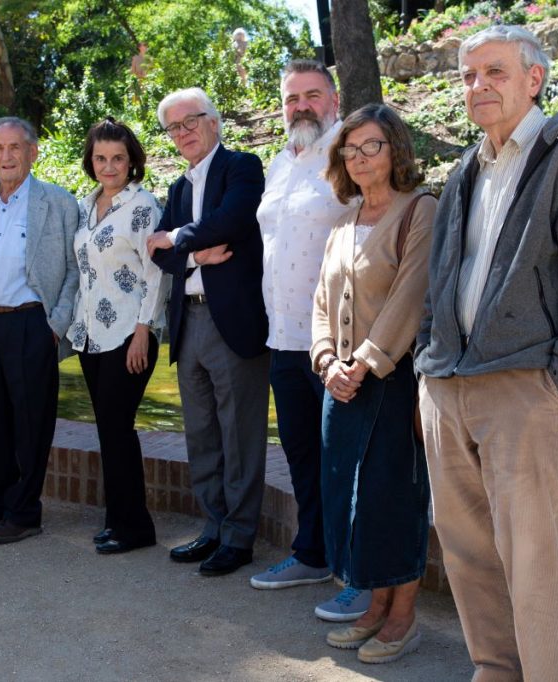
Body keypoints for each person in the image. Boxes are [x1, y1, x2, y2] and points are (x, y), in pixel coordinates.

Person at [415, 25, 558, 681]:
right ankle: (495, 668)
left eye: (495, 72)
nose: (477, 86)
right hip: (448, 386)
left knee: (535, 557)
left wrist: (557, 384)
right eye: (468, 75)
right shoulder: (466, 166)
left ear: (534, 79)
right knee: (466, 549)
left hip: (523, 389)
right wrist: (431, 369)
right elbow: (441, 278)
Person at [311, 103, 436, 664]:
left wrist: (362, 363)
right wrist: (324, 360)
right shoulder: (344, 219)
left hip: (393, 379)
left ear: (395, 150)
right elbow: (320, 300)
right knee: (353, 498)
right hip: (341, 380)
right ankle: (375, 605)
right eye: (351, 148)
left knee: (395, 497)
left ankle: (403, 617)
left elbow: (412, 294)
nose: (360, 158)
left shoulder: (421, 210)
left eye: (372, 146)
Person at [250, 59, 365, 618]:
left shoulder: (350, 154)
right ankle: (313, 553)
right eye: (292, 97)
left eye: (312, 95)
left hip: (337, 341)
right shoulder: (280, 163)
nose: (301, 106)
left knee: (349, 460)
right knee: (302, 456)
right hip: (284, 336)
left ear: (334, 99)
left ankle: (363, 574)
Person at [146, 87, 269, 577]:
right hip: (188, 320)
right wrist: (195, 253)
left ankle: (240, 538)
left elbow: (232, 220)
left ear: (214, 121)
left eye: (190, 121)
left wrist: (178, 238)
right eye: (173, 127)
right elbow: (157, 254)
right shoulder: (178, 189)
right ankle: (213, 528)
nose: (183, 133)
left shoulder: (242, 167)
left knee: (240, 434)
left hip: (233, 322)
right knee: (201, 433)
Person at [0, 117, 80, 545]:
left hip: (30, 323)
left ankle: (25, 512)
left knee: (30, 422)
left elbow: (74, 271)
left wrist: (55, 325)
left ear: (32, 152)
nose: (6, 157)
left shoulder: (58, 202)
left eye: (15, 148)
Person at [69, 118, 168, 554]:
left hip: (130, 332)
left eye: (118, 159)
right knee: (108, 429)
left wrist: (143, 332)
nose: (109, 166)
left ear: (132, 162)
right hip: (91, 334)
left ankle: (136, 528)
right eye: (101, 158)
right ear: (91, 162)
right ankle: (118, 520)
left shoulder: (143, 206)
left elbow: (157, 275)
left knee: (118, 427)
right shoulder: (87, 205)